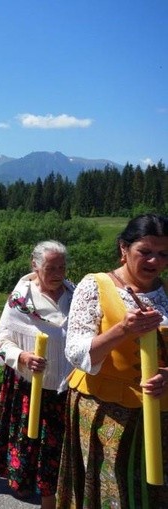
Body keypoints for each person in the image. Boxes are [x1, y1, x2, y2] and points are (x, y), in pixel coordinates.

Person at [56, 214, 168, 507]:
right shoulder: (95, 286)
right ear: (123, 248)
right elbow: (77, 352)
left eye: (163, 254)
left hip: (162, 413)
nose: (154, 262)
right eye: (145, 252)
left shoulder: (166, 292)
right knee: (113, 492)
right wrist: (123, 330)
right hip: (106, 411)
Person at [0, 241, 74, 508]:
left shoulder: (75, 295)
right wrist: (22, 357)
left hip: (69, 391)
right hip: (31, 389)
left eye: (62, 266)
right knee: (33, 449)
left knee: (61, 457)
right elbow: (0, 341)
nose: (58, 272)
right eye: (51, 267)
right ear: (35, 265)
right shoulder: (21, 300)